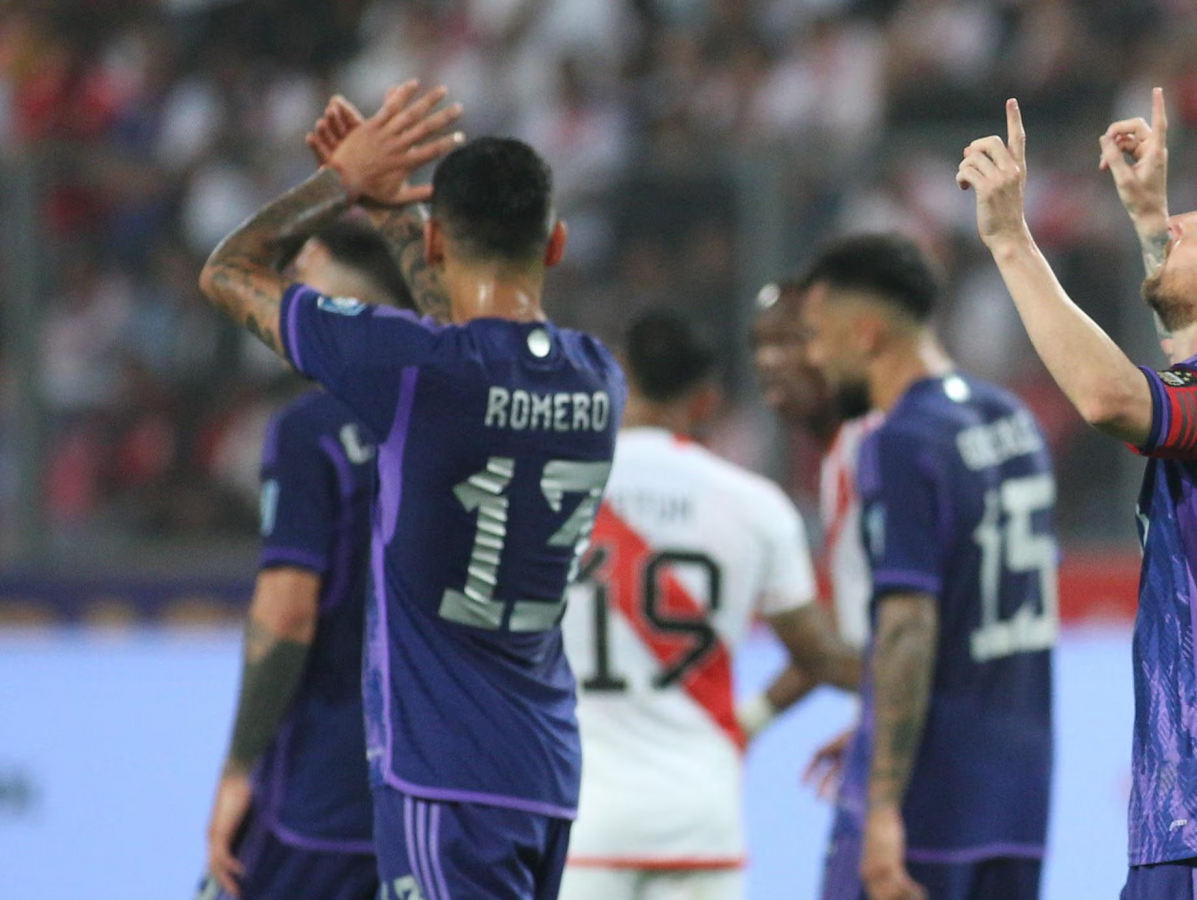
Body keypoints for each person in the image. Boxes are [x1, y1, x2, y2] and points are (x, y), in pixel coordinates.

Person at [197, 81, 626, 900]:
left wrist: (344, 186)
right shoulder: (596, 377)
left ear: (434, 248)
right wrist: (402, 218)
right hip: (543, 769)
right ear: (559, 243)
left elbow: (228, 272)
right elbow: (477, 342)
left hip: (442, 776)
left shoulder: (411, 371)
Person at [957, 92, 1197, 897]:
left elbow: (1111, 398)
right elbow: (1186, 362)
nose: (1179, 226)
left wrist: (1009, 238)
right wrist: (1147, 217)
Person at [557, 308, 861, 900]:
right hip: (700, 814)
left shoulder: (555, 494)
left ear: (616, 378)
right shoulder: (755, 505)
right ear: (707, 399)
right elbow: (820, 655)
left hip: (582, 814)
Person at [802, 233, 1057, 900]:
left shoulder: (902, 441)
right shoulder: (1012, 418)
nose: (815, 357)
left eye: (818, 334)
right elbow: (978, 603)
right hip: (1020, 791)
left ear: (864, 334)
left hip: (933, 797)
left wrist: (882, 803)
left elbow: (910, 625)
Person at [198, 220, 413, 900]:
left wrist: (239, 769)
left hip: (325, 786)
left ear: (315, 266)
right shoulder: (461, 415)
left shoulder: (312, 430)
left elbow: (287, 612)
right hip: (448, 786)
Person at [741, 280, 881, 737]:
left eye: (789, 341)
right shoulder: (845, 450)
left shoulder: (874, 450)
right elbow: (855, 625)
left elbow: (922, 612)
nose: (768, 361)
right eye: (760, 346)